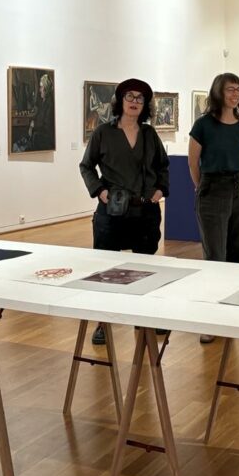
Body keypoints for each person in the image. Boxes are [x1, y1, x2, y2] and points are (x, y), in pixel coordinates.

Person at [79, 78, 169, 344]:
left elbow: (163, 166)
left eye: (140, 98)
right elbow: (86, 166)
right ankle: (103, 323)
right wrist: (99, 191)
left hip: (145, 211)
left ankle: (144, 318)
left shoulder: (149, 134)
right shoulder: (103, 133)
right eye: (130, 96)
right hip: (112, 212)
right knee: (107, 270)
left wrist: (161, 189)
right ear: (120, 101)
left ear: (145, 105)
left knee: (145, 266)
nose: (134, 102)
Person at [189, 72, 239, 343]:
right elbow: (193, 162)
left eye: (238, 89)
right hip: (212, 187)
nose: (235, 94)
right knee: (215, 255)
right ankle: (211, 318)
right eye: (230, 89)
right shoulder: (203, 125)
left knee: (237, 251)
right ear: (218, 92)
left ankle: (229, 312)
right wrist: (203, 188)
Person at [28, 73, 55, 151]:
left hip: (45, 141)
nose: (40, 90)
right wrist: (32, 124)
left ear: (46, 88)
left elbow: (46, 126)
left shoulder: (50, 104)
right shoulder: (43, 102)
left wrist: (33, 126)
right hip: (40, 138)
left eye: (41, 87)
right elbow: (38, 117)